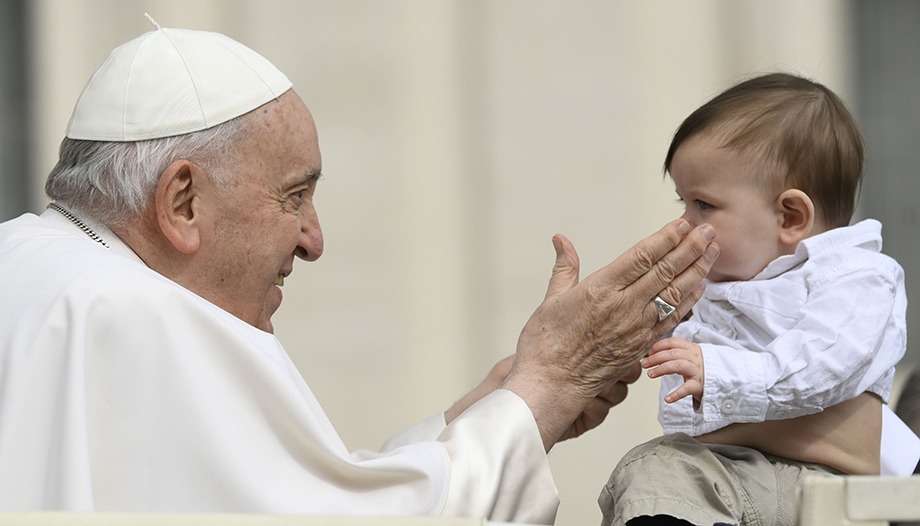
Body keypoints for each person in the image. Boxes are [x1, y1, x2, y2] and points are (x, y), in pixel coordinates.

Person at [0, 20, 719, 524]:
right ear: (183, 201)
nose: (314, 240)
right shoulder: (136, 315)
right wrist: (549, 384)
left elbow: (306, 498)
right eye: (294, 196)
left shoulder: (40, 267)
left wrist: (506, 401)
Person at [599, 72, 917, 526]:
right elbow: (644, 342)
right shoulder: (713, 282)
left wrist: (718, 372)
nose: (687, 223)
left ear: (790, 216)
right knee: (651, 471)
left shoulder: (854, 279)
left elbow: (820, 366)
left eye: (703, 205)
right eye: (682, 203)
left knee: (661, 471)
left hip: (815, 480)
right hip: (725, 471)